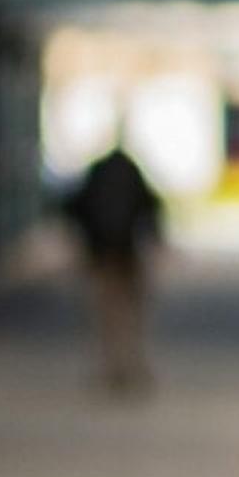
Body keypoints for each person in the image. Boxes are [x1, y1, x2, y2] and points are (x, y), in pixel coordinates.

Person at [68, 141, 165, 393]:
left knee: (107, 315)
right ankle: (130, 365)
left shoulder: (97, 173)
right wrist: (157, 242)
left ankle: (112, 367)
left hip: (102, 254)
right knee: (131, 315)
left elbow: (75, 207)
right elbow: (151, 206)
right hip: (128, 253)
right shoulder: (131, 173)